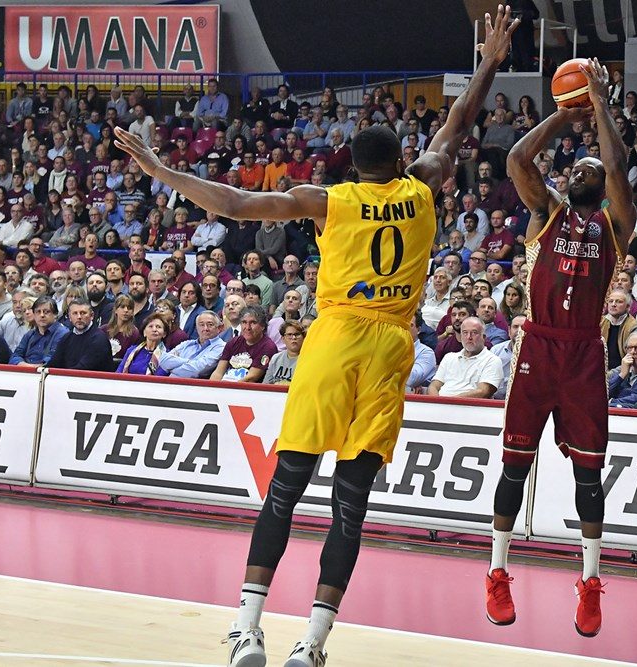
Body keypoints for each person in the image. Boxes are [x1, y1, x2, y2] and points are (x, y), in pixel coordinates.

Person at [117, 10, 518, 664]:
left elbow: (234, 204)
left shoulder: (330, 201)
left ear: (353, 168)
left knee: (285, 488)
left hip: (334, 341)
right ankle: (312, 644)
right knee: (350, 506)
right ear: (401, 162)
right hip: (391, 347)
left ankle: (247, 629)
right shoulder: (423, 187)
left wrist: (162, 170)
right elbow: (457, 123)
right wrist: (491, 60)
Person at [485, 58, 634, 638]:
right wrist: (560, 116)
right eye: (578, 166)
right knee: (514, 465)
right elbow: (517, 161)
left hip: (584, 354)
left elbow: (616, 165)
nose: (585, 169)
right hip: (538, 348)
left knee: (589, 476)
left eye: (590, 168)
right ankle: (497, 572)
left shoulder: (615, 226)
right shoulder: (546, 212)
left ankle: (591, 582)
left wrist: (598, 106)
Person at [427, 316, 502, 398]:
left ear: (483, 337)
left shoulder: (492, 360)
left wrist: (448, 402)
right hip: (440, 403)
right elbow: (433, 386)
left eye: (474, 333)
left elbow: (483, 392)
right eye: (465, 333)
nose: (469, 337)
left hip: (469, 405)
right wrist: (437, 402)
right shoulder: (449, 357)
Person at [45, 298, 112, 371]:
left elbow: (83, 369)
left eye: (83, 313)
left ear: (92, 315)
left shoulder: (99, 339)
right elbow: (54, 364)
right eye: (75, 313)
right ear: (69, 317)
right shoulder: (66, 338)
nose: (79, 317)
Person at [9, 296, 68, 367]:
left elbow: (52, 361)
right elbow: (15, 356)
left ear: (55, 314)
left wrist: (30, 368)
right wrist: (25, 366)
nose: (42, 315)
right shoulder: (29, 334)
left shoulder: (62, 333)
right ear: (34, 314)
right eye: (38, 312)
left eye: (46, 312)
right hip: (26, 370)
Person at [601, 289, 637, 370]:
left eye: (619, 302)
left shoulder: (634, 327)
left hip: (624, 370)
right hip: (601, 368)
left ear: (628, 307)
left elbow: (633, 358)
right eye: (611, 301)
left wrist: (611, 374)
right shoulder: (601, 322)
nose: (613, 304)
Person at [263, 320, 306, 385]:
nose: (293, 338)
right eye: (289, 335)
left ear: (303, 337)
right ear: (283, 339)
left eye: (297, 334)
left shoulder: (308, 359)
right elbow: (266, 384)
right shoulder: (276, 358)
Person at [407, 312, 437, 392]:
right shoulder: (389, 348)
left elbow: (411, 380)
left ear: (419, 330)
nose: (405, 327)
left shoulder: (426, 352)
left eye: (410, 325)